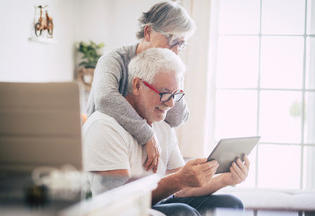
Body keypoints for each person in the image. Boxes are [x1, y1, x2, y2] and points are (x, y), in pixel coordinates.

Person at [83, 48, 249, 216]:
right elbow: (116, 203)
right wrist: (178, 180)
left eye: (175, 95)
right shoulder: (106, 127)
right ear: (137, 85)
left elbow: (181, 190)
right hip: (120, 210)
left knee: (231, 204)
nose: (170, 104)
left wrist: (226, 179)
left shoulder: (162, 125)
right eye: (164, 94)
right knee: (182, 212)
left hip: (154, 202)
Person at [86, 1, 196, 173]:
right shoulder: (114, 60)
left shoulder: (170, 66)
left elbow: (177, 118)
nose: (176, 50)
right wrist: (147, 135)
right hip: (106, 152)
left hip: (140, 161)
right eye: (171, 40)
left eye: (181, 44)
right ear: (148, 32)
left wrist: (171, 81)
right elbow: (105, 98)